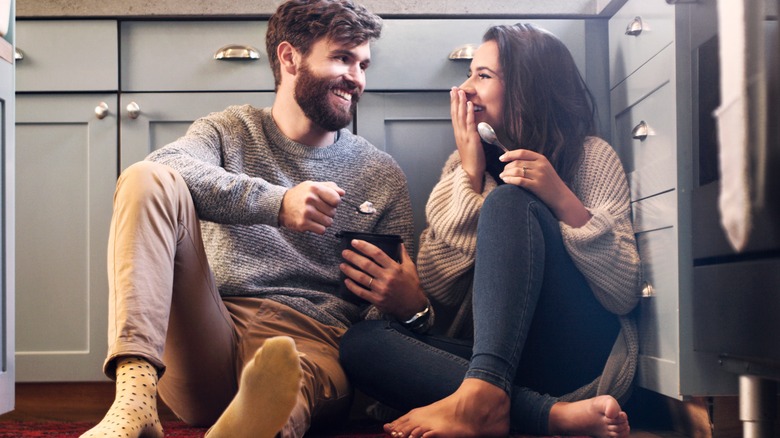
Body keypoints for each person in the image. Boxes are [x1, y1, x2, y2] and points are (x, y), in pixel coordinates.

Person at [80, 1, 420, 437]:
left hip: (312, 341)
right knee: (147, 178)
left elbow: (383, 318)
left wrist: (413, 309)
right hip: (211, 332)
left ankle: (259, 424)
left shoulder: (379, 174)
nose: (357, 77)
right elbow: (165, 165)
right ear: (289, 57)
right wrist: (278, 203)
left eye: (363, 64)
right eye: (341, 58)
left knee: (288, 380)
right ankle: (134, 401)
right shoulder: (228, 131)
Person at [339, 23, 641, 438]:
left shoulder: (590, 157)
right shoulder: (464, 167)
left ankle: (486, 395)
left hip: (580, 355)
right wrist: (469, 176)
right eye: (469, 74)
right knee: (362, 344)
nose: (465, 90)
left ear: (527, 88)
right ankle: (546, 416)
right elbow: (440, 291)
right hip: (506, 368)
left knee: (511, 200)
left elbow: (623, 293)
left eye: (483, 76)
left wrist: (562, 200)